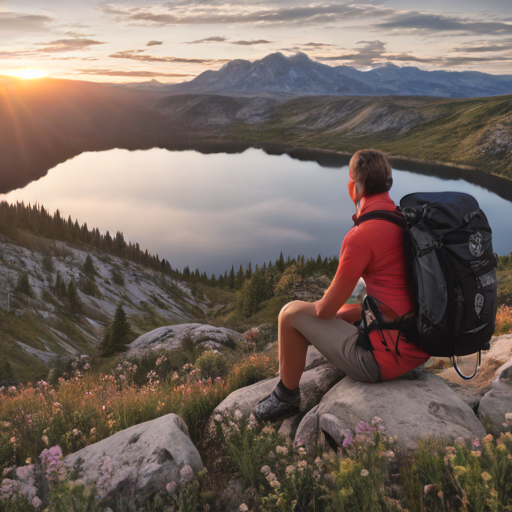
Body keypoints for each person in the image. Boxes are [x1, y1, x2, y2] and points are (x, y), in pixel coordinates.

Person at [253, 149, 430, 422]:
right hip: (416, 346)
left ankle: (285, 397)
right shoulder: (404, 220)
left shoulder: (361, 235)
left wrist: (321, 310)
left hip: (380, 363)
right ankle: (401, 363)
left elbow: (323, 311)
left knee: (290, 313)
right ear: (388, 182)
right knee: (346, 312)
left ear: (355, 186)